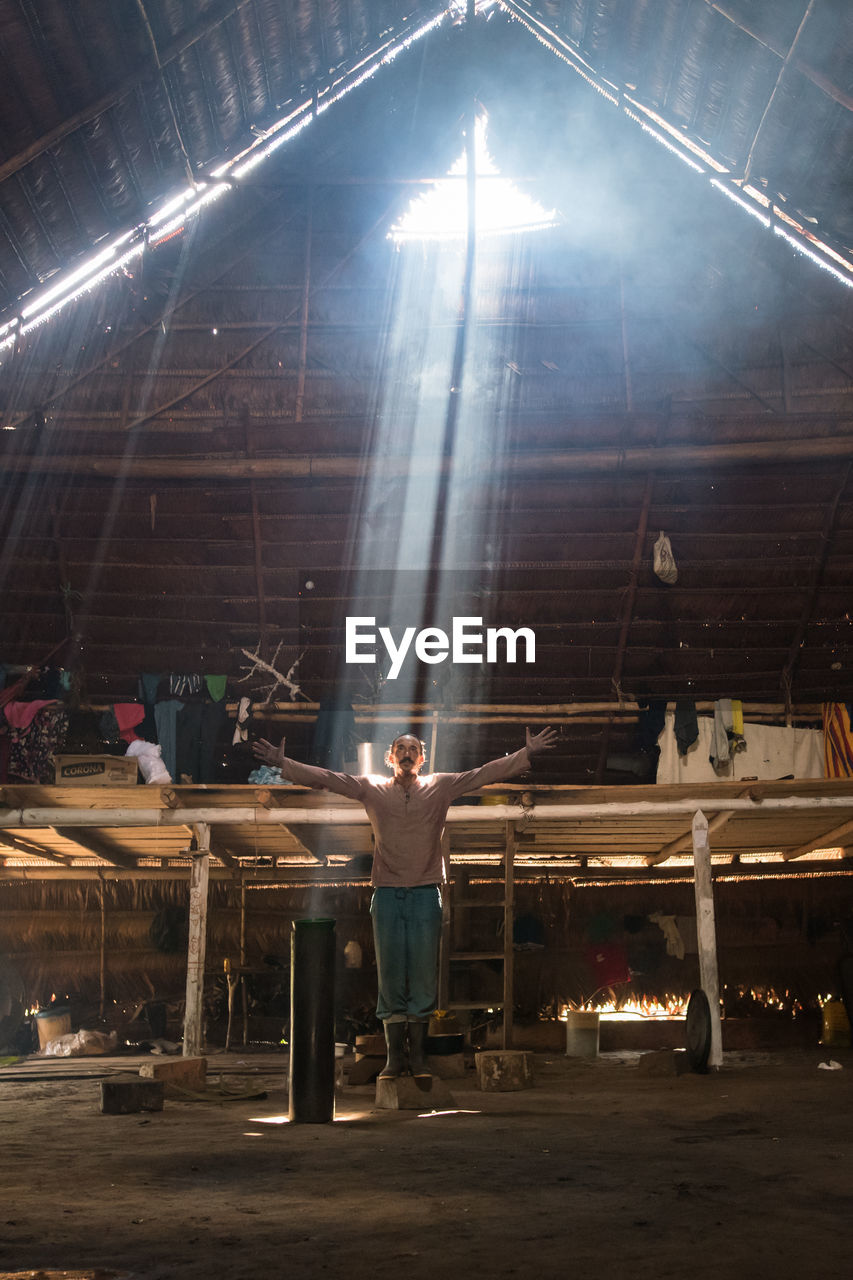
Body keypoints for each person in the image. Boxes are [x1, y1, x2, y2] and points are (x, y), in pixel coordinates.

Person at [252, 726, 558, 1079]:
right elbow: (328, 779)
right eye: (401, 748)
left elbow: (484, 774)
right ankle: (395, 1059)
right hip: (387, 893)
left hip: (427, 894)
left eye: (414, 748)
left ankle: (420, 1060)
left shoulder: (441, 786)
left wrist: (526, 754)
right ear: (390, 757)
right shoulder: (372, 788)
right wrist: (283, 763)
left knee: (425, 977)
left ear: (423, 759)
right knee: (392, 976)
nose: (408, 753)